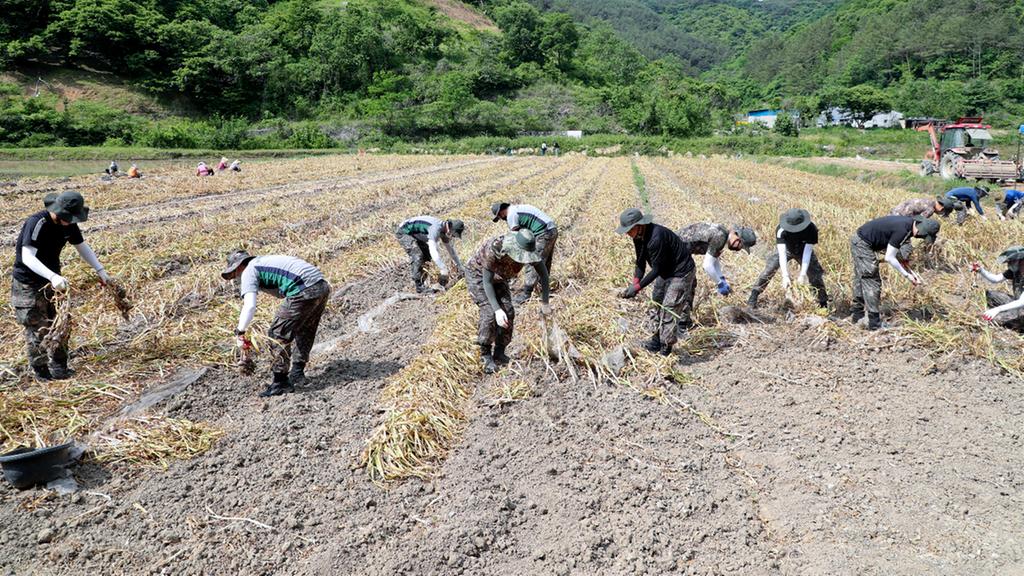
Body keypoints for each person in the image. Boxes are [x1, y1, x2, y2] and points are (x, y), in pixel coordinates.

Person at [11, 192, 114, 381]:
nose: (72, 222)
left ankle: (60, 366)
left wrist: (101, 270)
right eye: (69, 218)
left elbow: (81, 246)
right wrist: (52, 276)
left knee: (62, 324)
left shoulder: (69, 223)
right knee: (38, 327)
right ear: (58, 213)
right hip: (29, 284)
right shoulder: (37, 223)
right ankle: (41, 372)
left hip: (54, 281)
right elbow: (27, 257)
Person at [221, 250, 331, 397]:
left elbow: (250, 306)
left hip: (303, 289)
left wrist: (240, 331)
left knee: (277, 334)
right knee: (305, 329)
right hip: (321, 286)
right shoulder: (263, 262)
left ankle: (280, 383)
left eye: (235, 273)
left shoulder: (249, 270)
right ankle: (297, 373)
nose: (236, 277)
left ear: (239, 266)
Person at [465, 229, 551, 374]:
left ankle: (499, 351)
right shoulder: (495, 248)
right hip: (478, 275)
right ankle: (485, 355)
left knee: (509, 311)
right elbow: (487, 282)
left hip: (500, 278)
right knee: (490, 312)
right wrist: (497, 310)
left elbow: (544, 276)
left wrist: (545, 303)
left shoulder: (530, 251)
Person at [617, 208, 696, 356]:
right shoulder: (638, 237)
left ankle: (666, 348)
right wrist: (635, 283)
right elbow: (640, 261)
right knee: (657, 302)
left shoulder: (656, 237)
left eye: (629, 230)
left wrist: (638, 288)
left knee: (669, 308)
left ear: (639, 226)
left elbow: (656, 269)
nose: (627, 234)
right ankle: (656, 340)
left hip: (680, 272)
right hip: (665, 270)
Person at [849, 215, 939, 330]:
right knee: (871, 279)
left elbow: (894, 250)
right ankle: (874, 323)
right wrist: (908, 276)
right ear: (922, 230)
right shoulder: (903, 230)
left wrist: (909, 269)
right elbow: (889, 257)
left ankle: (857, 314)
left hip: (863, 240)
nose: (920, 238)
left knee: (862, 276)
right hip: (862, 243)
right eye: (923, 236)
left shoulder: (908, 224)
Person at [748, 209, 827, 308]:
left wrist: (802, 275)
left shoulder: (811, 229)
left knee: (815, 274)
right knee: (769, 270)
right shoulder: (781, 230)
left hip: (803, 249)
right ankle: (753, 296)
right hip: (787, 249)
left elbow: (807, 252)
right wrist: (785, 276)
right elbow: (782, 253)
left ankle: (823, 302)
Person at [491, 202, 558, 304]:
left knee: (531, 261)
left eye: (500, 216)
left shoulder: (511, 215)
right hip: (551, 230)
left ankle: (527, 293)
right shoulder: (518, 209)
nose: (501, 218)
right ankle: (543, 288)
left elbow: (515, 238)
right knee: (545, 260)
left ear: (501, 211)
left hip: (543, 233)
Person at [676, 222, 757, 296]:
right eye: (741, 246)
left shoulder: (723, 233)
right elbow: (707, 266)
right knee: (686, 283)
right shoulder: (720, 237)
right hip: (675, 249)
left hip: (679, 249)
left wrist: (722, 278)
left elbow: (714, 259)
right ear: (737, 237)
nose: (739, 249)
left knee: (690, 282)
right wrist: (719, 283)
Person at [394, 216, 465, 293]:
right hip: (404, 232)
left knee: (427, 256)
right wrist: (443, 268)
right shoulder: (435, 229)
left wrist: (460, 266)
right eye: (453, 235)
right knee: (418, 255)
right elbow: (433, 250)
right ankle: (419, 286)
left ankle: (423, 282)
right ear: (450, 229)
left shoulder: (445, 231)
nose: (453, 237)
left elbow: (451, 251)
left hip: (417, 234)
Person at [971, 246, 1024, 330]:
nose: (1009, 264)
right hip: (1017, 303)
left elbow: (1022, 302)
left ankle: (1014, 320)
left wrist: (998, 309)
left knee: (992, 320)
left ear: (1021, 261)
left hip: (1022, 309)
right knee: (990, 295)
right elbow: (996, 279)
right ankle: (1009, 312)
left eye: (1011, 261)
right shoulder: (1015, 271)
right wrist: (981, 270)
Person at [891, 195, 964, 221]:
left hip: (895, 211)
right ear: (941, 209)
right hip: (899, 217)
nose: (941, 214)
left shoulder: (928, 201)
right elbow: (918, 221)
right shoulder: (930, 210)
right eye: (943, 213)